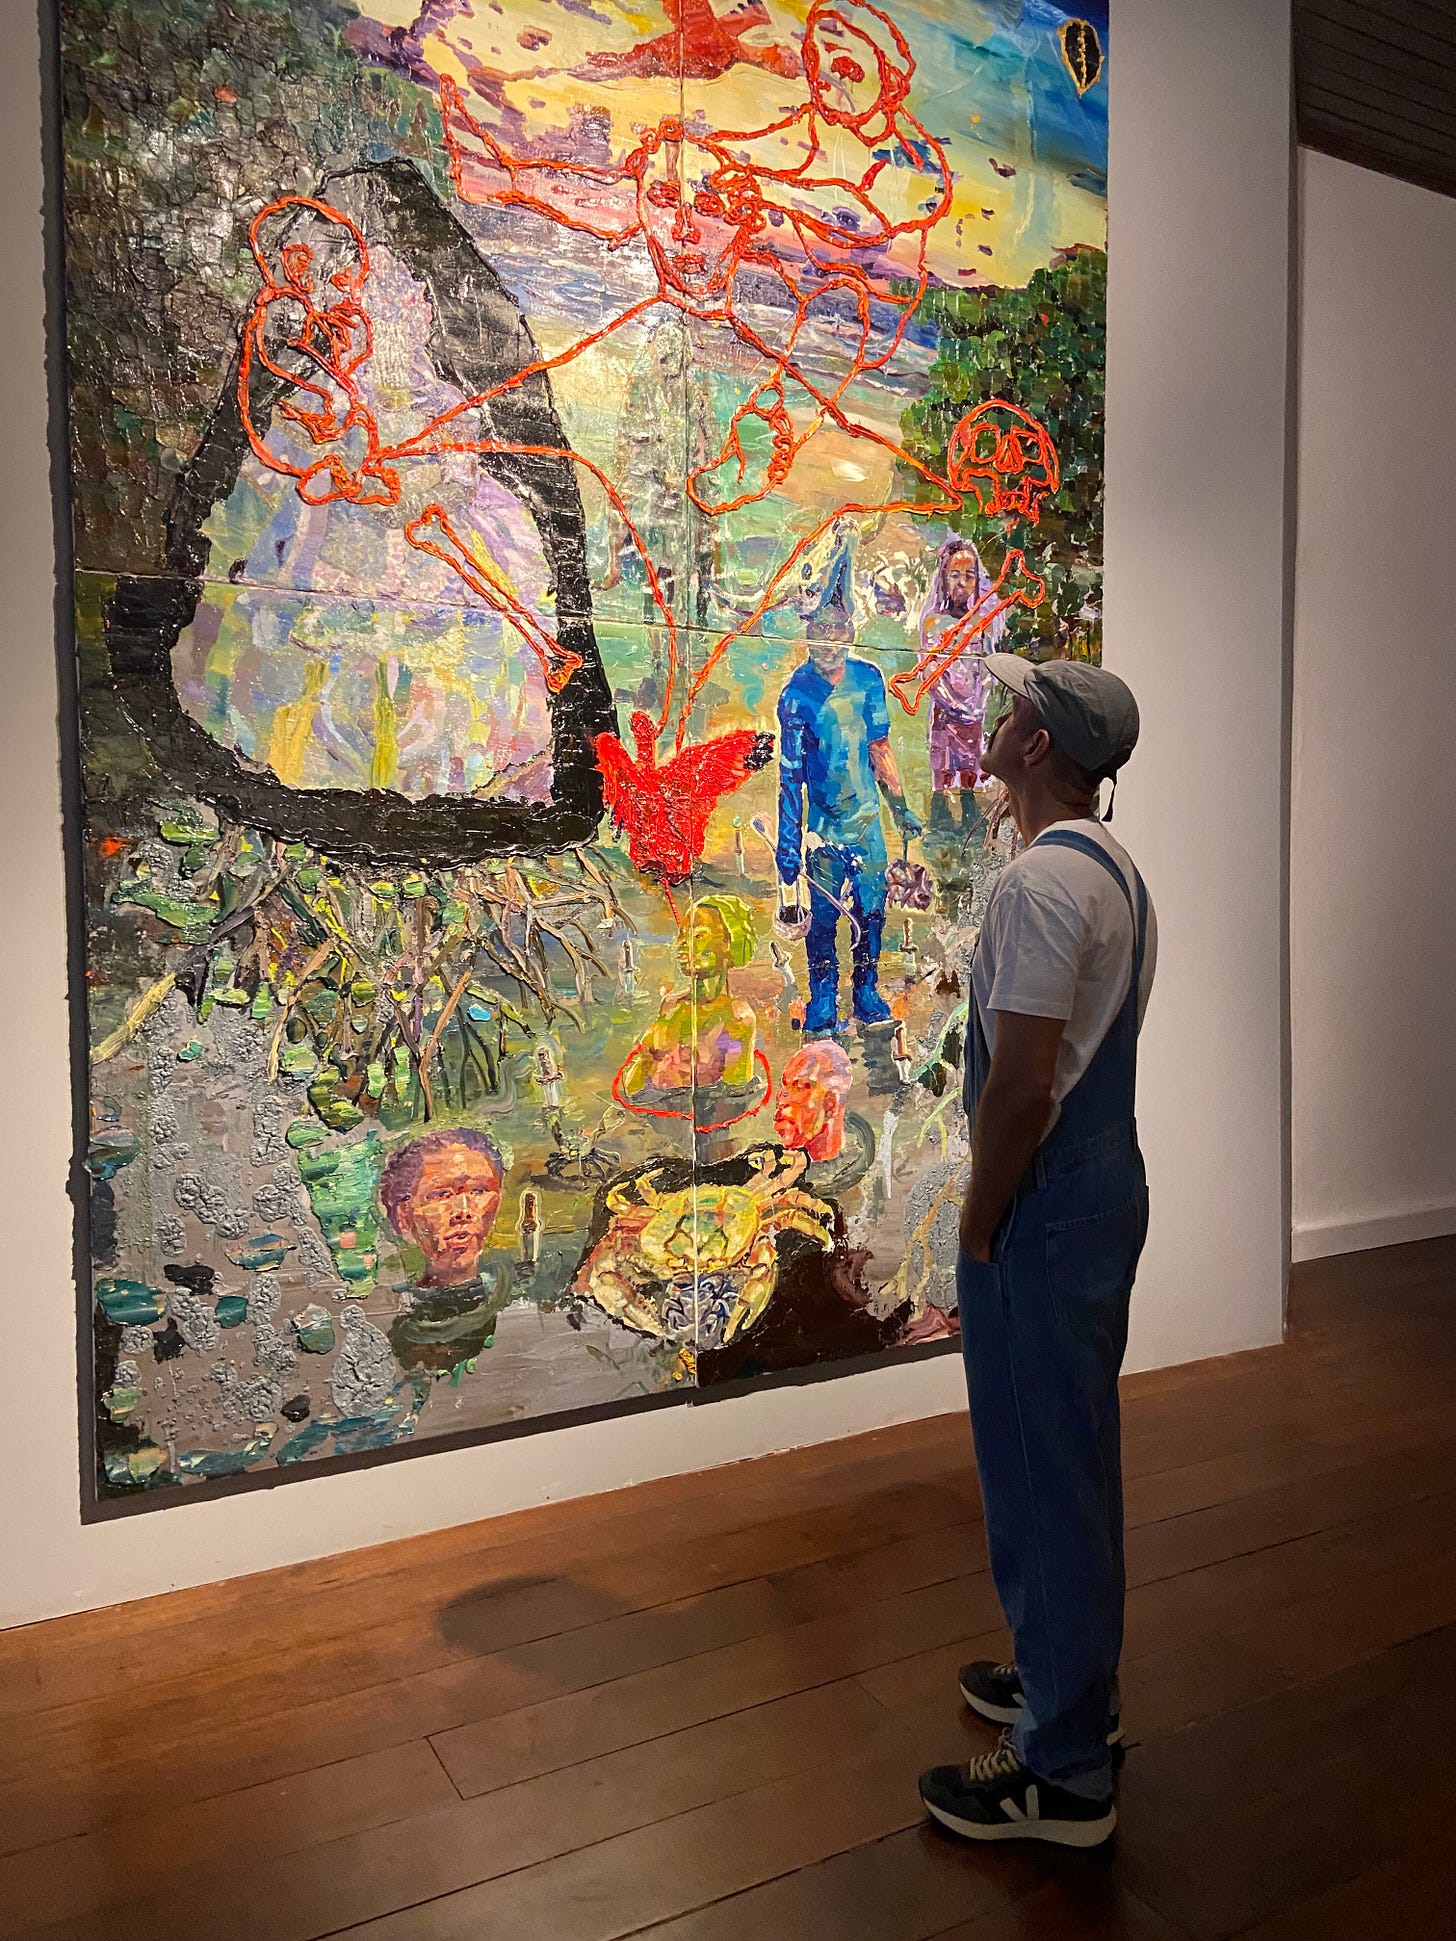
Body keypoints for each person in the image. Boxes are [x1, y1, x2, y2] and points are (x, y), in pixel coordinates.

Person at [918, 652, 1156, 1850]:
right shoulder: (1112, 869)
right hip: (1102, 1186)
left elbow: (1018, 1089)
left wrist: (978, 1220)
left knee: (1036, 1467)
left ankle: (1062, 1775)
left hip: (1046, 1203)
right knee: (1072, 1454)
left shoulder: (1037, 887)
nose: (998, 721)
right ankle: (1066, 1676)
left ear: (1038, 747)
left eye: (1014, 711)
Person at [776, 538, 922, 1033]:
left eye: (835, 629)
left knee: (872, 910)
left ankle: (865, 990)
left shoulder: (869, 681)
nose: (827, 641)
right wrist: (788, 841)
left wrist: (899, 807)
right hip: (822, 830)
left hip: (867, 826)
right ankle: (823, 999)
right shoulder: (796, 695)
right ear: (807, 633)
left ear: (850, 632)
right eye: (818, 630)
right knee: (822, 917)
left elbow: (879, 749)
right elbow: (791, 777)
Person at [379, 1128, 505, 1289]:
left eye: (479, 1191)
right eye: (442, 1194)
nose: (463, 1211)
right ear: (403, 1214)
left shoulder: (514, 1288)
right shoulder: (394, 1299)